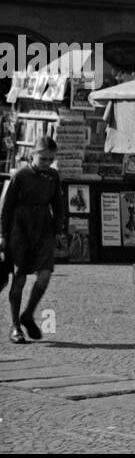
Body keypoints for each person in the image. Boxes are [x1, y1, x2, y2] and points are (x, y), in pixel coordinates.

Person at [1, 135, 64, 343]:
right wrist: (3, 236)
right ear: (33, 154)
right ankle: (15, 326)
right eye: (43, 159)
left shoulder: (53, 176)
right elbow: (6, 207)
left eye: (50, 159)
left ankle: (28, 314)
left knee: (45, 274)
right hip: (20, 227)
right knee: (19, 277)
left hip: (44, 227)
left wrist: (58, 229)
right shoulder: (20, 175)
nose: (47, 163)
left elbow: (58, 204)